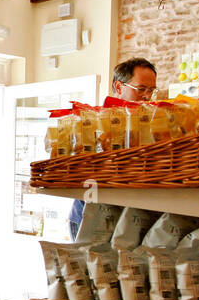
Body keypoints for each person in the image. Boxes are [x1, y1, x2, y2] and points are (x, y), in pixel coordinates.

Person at [68, 58, 159, 239]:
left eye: (151, 90)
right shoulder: (95, 122)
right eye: (141, 89)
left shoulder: (151, 124)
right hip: (89, 217)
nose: (147, 96)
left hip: (127, 219)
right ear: (119, 87)